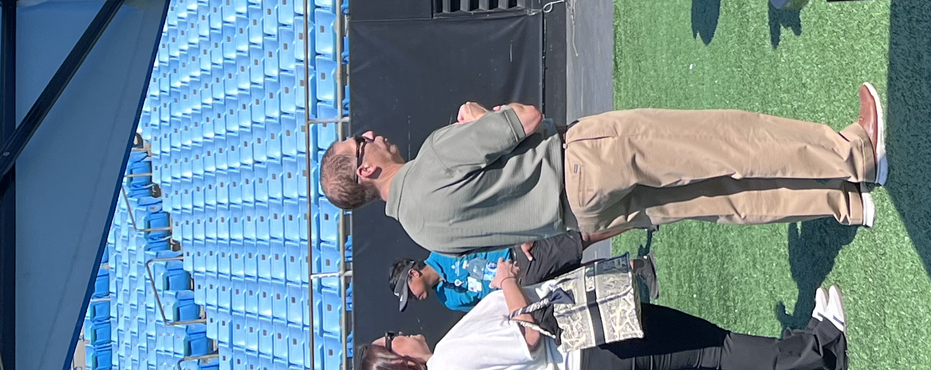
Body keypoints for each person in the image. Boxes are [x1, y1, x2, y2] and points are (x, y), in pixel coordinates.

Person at [320, 89, 887, 249]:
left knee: (721, 200)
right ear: (365, 171)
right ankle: (854, 154)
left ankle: (844, 202)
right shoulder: (434, 156)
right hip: (583, 157)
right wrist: (480, 114)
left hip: (579, 214)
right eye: (359, 142)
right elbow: (526, 117)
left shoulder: (423, 235)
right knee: (725, 142)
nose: (370, 135)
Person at [361, 261, 848, 370]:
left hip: (590, 357)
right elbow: (527, 339)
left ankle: (806, 347)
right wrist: (506, 281)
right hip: (589, 348)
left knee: (709, 355)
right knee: (710, 350)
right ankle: (822, 350)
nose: (399, 333)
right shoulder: (447, 359)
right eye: (390, 339)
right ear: (396, 363)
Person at [388, 233, 587, 315]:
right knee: (582, 280)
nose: (414, 299)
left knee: (582, 239)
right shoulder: (448, 300)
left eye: (410, 293)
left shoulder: (442, 248)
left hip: (523, 255)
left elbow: (484, 231)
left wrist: (521, 236)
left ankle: (619, 217)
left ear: (414, 273)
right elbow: (488, 307)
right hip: (524, 288)